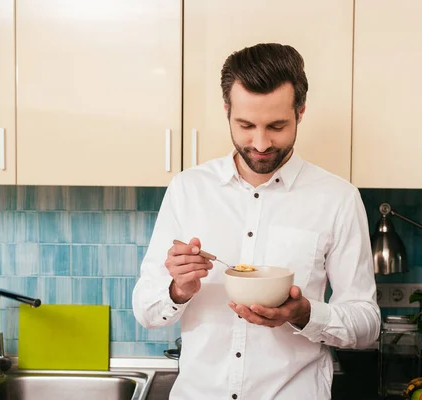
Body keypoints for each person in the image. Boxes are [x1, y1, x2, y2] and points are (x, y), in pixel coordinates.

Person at [132, 43, 380, 400]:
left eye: (277, 126)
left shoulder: (338, 198)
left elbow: (367, 325)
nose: (261, 143)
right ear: (226, 110)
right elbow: (146, 310)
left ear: (301, 112)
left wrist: (305, 314)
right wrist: (178, 289)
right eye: (246, 125)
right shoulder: (188, 189)